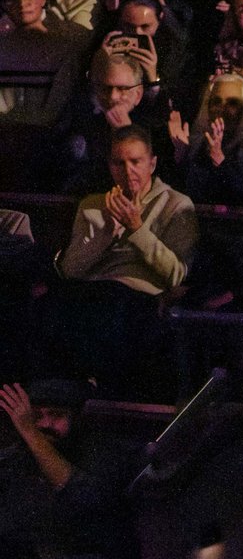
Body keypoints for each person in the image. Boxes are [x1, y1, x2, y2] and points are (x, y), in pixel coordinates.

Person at [50, 126, 195, 385]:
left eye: (136, 162)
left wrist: (137, 228)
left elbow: (175, 274)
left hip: (139, 300)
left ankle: (95, 387)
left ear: (152, 164)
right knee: (50, 305)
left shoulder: (177, 205)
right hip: (90, 293)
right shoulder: (92, 205)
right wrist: (106, 232)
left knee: (114, 306)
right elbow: (70, 270)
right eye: (119, 163)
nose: (128, 171)